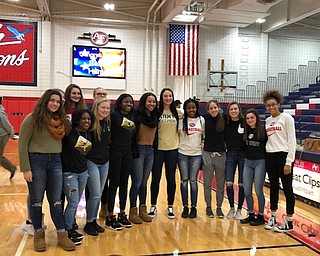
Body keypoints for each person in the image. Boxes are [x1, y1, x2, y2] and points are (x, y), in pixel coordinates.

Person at [18, 89, 75, 252]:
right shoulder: (32, 119)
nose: (55, 104)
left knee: (56, 202)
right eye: (52, 100)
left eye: (58, 101)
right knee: (36, 202)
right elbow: (22, 144)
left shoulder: (61, 120)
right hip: (37, 162)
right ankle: (38, 235)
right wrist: (26, 169)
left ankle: (62, 236)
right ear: (45, 101)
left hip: (56, 162)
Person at [263, 90, 296, 232]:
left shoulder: (287, 118)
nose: (271, 108)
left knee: (287, 189)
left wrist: (289, 161)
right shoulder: (268, 121)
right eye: (268, 106)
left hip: (284, 157)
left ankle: (289, 221)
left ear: (278, 104)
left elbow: (292, 141)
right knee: (274, 188)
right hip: (270, 156)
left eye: (273, 105)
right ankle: (273, 217)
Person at [62, 109, 94, 244]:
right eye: (83, 119)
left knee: (74, 203)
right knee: (73, 202)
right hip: (69, 174)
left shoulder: (88, 134)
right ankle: (67, 230)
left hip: (83, 172)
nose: (86, 121)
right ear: (77, 120)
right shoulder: (69, 133)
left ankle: (69, 226)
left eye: (89, 119)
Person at [105, 94, 135, 230]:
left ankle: (122, 212)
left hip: (127, 152)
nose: (128, 105)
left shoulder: (132, 117)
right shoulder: (114, 115)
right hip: (115, 153)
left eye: (130, 103)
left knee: (124, 183)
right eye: (126, 102)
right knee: (114, 183)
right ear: (120, 103)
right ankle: (110, 215)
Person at [129, 92, 159, 224]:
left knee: (144, 183)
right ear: (143, 102)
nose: (151, 104)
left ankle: (143, 209)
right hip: (139, 150)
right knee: (136, 182)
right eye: (149, 101)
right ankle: (132, 210)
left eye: (153, 102)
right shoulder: (137, 115)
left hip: (150, 151)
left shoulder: (156, 116)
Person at [149, 88, 179, 219]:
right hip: (158, 150)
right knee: (155, 178)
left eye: (170, 96)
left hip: (172, 149)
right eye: (165, 96)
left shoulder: (177, 113)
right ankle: (153, 205)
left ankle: (170, 206)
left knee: (171, 179)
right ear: (162, 98)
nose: (168, 98)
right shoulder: (156, 112)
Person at [84, 98, 111, 236]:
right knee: (94, 194)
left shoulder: (107, 123)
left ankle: (93, 220)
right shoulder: (90, 123)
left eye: (107, 108)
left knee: (98, 194)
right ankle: (89, 223)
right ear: (96, 107)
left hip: (104, 162)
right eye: (103, 108)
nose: (106, 110)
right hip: (92, 162)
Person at [178, 98, 205, 218]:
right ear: (185, 109)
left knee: (193, 181)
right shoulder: (181, 120)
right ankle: (185, 207)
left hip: (196, 154)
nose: (191, 110)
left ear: (197, 108)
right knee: (184, 181)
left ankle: (193, 207)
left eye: (193, 107)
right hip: (182, 153)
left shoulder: (201, 120)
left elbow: (204, 136)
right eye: (188, 108)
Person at [240, 109, 267, 226]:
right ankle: (251, 214)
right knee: (246, 190)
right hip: (247, 162)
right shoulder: (245, 131)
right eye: (247, 118)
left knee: (258, 190)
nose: (250, 120)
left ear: (256, 118)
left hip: (260, 162)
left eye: (252, 117)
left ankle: (260, 216)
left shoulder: (263, 130)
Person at [202, 100, 226, 218]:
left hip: (221, 155)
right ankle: (208, 206)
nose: (213, 110)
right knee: (207, 183)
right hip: (207, 154)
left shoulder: (224, 119)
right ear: (208, 110)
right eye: (211, 108)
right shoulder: (204, 120)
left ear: (218, 108)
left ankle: (219, 207)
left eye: (215, 107)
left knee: (220, 183)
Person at [225, 102, 245, 220]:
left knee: (242, 183)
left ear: (239, 110)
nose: (233, 111)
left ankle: (239, 210)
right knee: (229, 182)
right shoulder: (226, 123)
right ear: (228, 111)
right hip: (230, 154)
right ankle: (231, 207)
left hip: (243, 155)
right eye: (231, 109)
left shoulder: (244, 122)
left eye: (235, 109)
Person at [0, 104, 17, 179]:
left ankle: (12, 168)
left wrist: (12, 134)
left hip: (2, 136)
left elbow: (7, 125)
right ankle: (12, 168)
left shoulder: (0, 113)